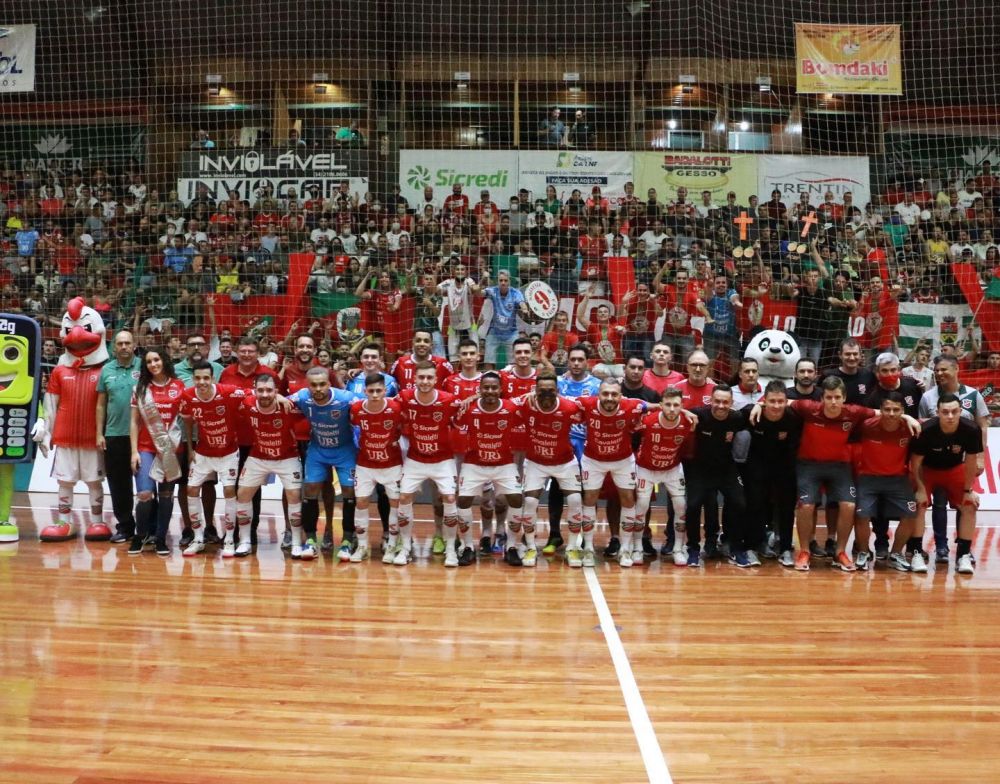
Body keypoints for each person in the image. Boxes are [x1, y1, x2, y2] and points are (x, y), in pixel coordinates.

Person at [917, 354, 988, 563]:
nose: (939, 374)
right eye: (936, 370)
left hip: (963, 460)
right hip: (935, 460)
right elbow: (922, 428)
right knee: (938, 504)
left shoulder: (974, 395)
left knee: (963, 503)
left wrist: (981, 458)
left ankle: (964, 549)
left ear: (957, 369)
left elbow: (982, 426)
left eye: (944, 369)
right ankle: (941, 547)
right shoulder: (928, 397)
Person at [289, 366, 360, 561]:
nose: (318, 388)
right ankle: (310, 541)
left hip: (344, 451)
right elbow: (282, 402)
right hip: (318, 450)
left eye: (322, 384)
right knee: (310, 489)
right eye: (314, 385)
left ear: (329, 384)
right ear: (308, 386)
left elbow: (367, 406)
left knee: (349, 492)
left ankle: (347, 540)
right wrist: (279, 398)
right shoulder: (302, 397)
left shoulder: (346, 398)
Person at [455, 373, 526, 565]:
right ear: (480, 389)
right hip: (474, 463)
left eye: (494, 387)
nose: (490, 391)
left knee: (516, 498)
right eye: (486, 387)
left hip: (504, 463)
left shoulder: (511, 408)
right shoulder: (469, 409)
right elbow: (456, 424)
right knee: (463, 500)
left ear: (501, 389)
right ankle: (468, 547)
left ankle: (511, 546)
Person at [576, 379, 647, 568]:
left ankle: (625, 549)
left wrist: (686, 411)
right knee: (589, 498)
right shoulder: (586, 403)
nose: (609, 398)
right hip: (592, 459)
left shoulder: (632, 405)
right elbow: (562, 401)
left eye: (614, 394)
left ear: (620, 395)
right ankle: (589, 548)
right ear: (598, 394)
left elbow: (656, 406)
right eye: (605, 393)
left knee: (628, 499)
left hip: (623, 461)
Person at [910, 393, 984, 575]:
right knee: (918, 504)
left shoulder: (972, 429)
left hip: (954, 469)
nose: (950, 416)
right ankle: (917, 553)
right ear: (938, 412)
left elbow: (971, 462)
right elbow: (915, 463)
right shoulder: (925, 429)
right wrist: (919, 489)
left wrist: (968, 490)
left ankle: (963, 555)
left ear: (960, 411)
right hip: (927, 470)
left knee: (969, 505)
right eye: (945, 412)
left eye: (954, 412)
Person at [397, 362, 462, 566]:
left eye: (429, 378)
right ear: (415, 378)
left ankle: (451, 548)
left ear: (436, 380)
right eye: (421, 377)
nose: (425, 381)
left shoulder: (448, 400)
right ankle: (405, 547)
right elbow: (386, 405)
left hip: (443, 460)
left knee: (450, 497)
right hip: (416, 459)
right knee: (404, 497)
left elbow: (467, 406)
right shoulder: (405, 397)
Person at [517, 373, 585, 565]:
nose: (546, 394)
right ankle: (530, 547)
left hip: (564, 461)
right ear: (535, 391)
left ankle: (572, 548)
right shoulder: (525, 404)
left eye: (550, 391)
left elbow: (593, 406)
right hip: (535, 462)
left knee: (574, 500)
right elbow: (502, 403)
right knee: (529, 502)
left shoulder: (569, 407)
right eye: (542, 391)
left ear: (558, 391)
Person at [178, 362, 245, 557]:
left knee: (229, 490)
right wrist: (191, 448)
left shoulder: (228, 392)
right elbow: (188, 422)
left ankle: (230, 539)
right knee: (190, 488)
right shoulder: (188, 395)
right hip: (203, 452)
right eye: (198, 378)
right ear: (193, 379)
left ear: (213, 378)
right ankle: (198, 538)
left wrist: (279, 396)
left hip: (228, 452)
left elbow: (252, 394)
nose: (202, 382)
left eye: (206, 378)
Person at [219, 337, 280, 544]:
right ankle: (232, 532)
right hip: (232, 441)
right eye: (243, 351)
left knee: (252, 488)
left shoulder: (269, 375)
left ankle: (250, 532)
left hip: (257, 441)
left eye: (250, 351)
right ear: (237, 351)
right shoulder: (227, 373)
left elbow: (279, 403)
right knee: (232, 487)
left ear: (257, 353)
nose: (246, 355)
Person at [233, 375, 302, 558]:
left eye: (269, 390)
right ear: (255, 391)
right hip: (258, 456)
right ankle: (245, 541)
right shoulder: (248, 403)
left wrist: (285, 398)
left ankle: (296, 542)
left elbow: (305, 400)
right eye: (260, 390)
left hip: (287, 457)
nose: (264, 394)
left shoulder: (288, 406)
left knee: (294, 495)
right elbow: (238, 393)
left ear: (276, 392)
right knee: (242, 494)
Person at [851, 393, 921, 572]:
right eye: (887, 409)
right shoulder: (867, 426)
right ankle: (863, 551)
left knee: (912, 514)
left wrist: (909, 419)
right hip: (868, 478)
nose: (891, 413)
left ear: (902, 411)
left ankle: (896, 554)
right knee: (860, 515)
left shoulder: (910, 428)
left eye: (896, 410)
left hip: (898, 479)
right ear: (880, 410)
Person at [684, 385, 751, 567]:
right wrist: (684, 411)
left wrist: (759, 406)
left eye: (725, 402)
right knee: (692, 506)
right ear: (710, 401)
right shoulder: (699, 415)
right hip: (701, 469)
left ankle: (736, 548)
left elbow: (751, 410)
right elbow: (675, 409)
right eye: (717, 401)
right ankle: (693, 548)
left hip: (727, 469)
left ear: (731, 403)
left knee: (740, 503)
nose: (721, 406)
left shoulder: (736, 417)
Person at [128, 348, 186, 556]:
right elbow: (134, 422)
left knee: (167, 495)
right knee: (144, 493)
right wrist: (134, 451)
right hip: (145, 448)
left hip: (170, 448)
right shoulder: (141, 389)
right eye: (149, 361)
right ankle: (140, 534)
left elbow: (186, 417)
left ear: (164, 360)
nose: (153, 364)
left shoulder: (179, 386)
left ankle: (160, 538)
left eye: (157, 359)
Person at [544, 345, 601, 554]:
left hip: (586, 446)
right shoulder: (558, 383)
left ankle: (587, 539)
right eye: (573, 360)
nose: (576, 363)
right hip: (561, 443)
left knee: (587, 493)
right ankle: (554, 535)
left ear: (587, 362)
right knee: (557, 491)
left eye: (580, 360)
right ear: (567, 362)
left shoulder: (597, 385)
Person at [742, 381, 801, 567]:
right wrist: (756, 406)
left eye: (780, 401)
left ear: (786, 401)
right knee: (755, 504)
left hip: (785, 466)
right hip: (757, 465)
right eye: (772, 401)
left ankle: (785, 549)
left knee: (786, 507)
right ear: (764, 401)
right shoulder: (750, 413)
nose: (776, 406)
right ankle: (751, 547)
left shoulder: (793, 417)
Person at [634, 387, 693, 568]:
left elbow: (687, 449)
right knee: (642, 505)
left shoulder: (688, 422)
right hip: (646, 468)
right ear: (660, 405)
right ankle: (636, 548)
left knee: (681, 506)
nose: (672, 409)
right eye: (668, 404)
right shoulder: (648, 421)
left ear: (682, 406)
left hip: (672, 468)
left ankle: (678, 549)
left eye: (676, 405)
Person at [350, 374, 405, 564]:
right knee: (362, 501)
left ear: (385, 390)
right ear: (365, 391)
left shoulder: (396, 408)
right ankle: (363, 546)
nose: (374, 394)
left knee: (395, 504)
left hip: (392, 464)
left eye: (378, 391)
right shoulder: (356, 409)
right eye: (370, 391)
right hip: (365, 464)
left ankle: (392, 544)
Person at [96, 330, 140, 543]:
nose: (124, 347)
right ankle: (124, 527)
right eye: (120, 343)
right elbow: (101, 404)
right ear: (114, 347)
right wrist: (99, 433)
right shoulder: (106, 370)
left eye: (127, 343)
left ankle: (147, 527)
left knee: (146, 485)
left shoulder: (145, 366)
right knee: (118, 485)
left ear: (134, 345)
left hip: (143, 437)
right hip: (114, 435)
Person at [481, 270, 529, 369]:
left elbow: (521, 303)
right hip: (494, 331)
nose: (503, 282)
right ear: (498, 281)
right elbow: (480, 293)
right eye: (501, 280)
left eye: (505, 280)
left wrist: (524, 309)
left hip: (511, 332)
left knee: (514, 363)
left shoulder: (515, 293)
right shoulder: (493, 290)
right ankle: (490, 378)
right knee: (488, 361)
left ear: (509, 282)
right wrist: (482, 281)